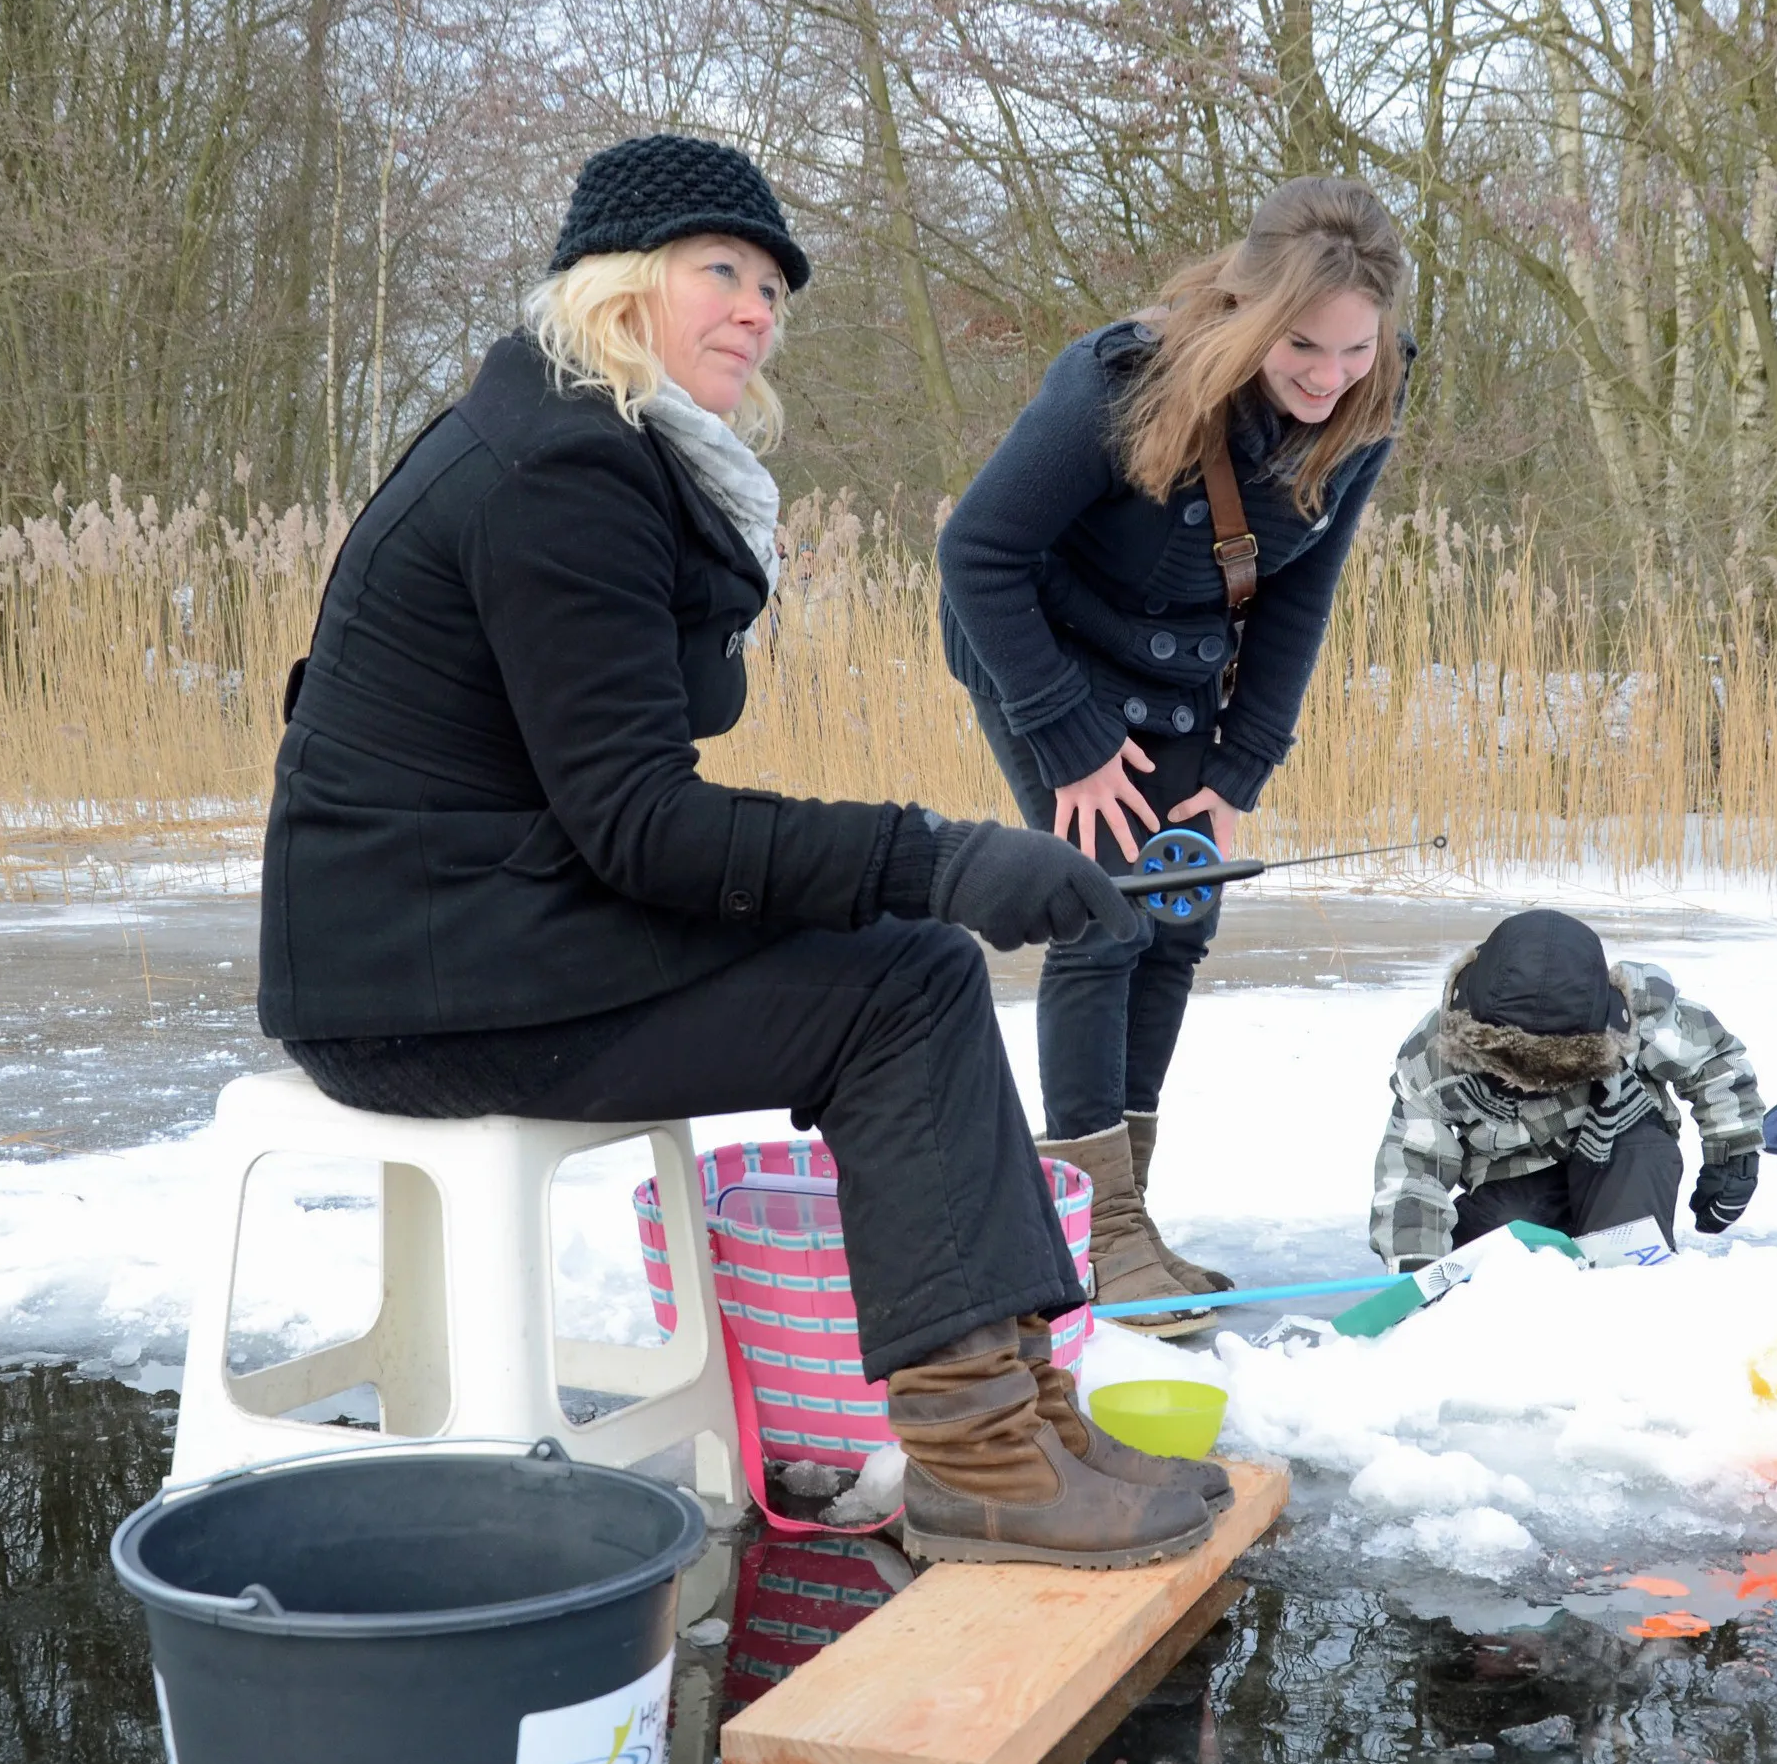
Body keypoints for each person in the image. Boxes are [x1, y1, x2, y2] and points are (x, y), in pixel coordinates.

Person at [254, 133, 1225, 1568]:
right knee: (897, 985)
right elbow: (643, 826)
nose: (758, 308)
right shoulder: (561, 474)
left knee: (905, 968)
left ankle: (1019, 1411)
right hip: (420, 984)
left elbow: (606, 804)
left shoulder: (584, 442)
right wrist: (942, 858)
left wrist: (920, 876)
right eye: (722, 269)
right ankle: (978, 1458)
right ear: (616, 282)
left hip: (475, 929)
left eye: (773, 286)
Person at [938, 179, 1414, 1334]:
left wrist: (1242, 762)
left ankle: (1128, 1217)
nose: (1326, 373)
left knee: (1181, 914)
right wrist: (1069, 739)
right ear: (1245, 306)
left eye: (1353, 348)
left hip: (1180, 670)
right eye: (1301, 344)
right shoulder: (1117, 381)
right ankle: (1095, 1239)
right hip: (1038, 646)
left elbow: (1302, 589)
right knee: (1107, 908)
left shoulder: (1369, 394)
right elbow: (978, 554)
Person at [1367, 908, 1765, 1270]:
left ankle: (1630, 1286)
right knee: (1495, 1255)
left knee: (1638, 1180)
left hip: (1621, 1150)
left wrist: (1734, 1156)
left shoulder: (1639, 1010)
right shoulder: (1434, 1055)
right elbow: (1412, 1170)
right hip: (1513, 1175)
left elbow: (1713, 1060)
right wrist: (1415, 1263)